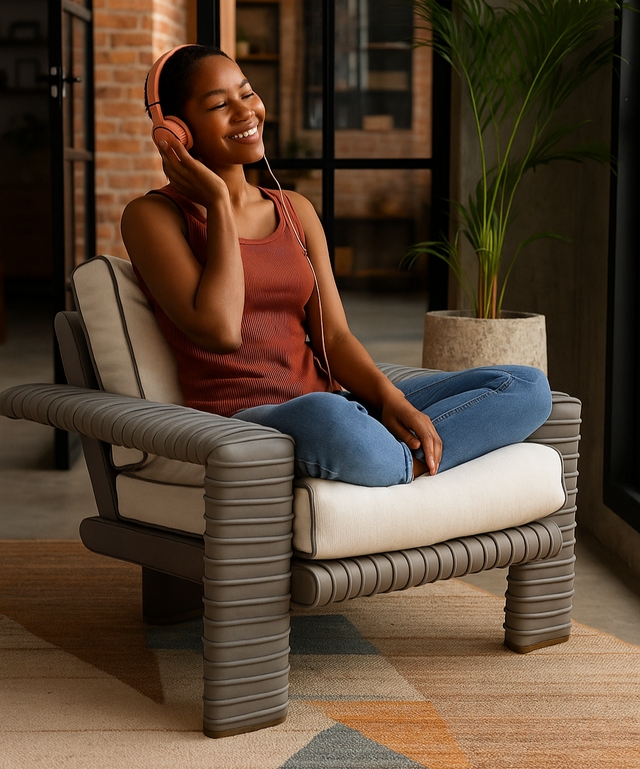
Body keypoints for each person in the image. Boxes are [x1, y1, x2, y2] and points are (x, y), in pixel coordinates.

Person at [121, 44, 552, 488]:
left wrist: (389, 400)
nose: (246, 112)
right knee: (327, 414)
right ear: (176, 132)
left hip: (333, 405)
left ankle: (392, 457)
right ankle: (391, 456)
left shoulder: (295, 210)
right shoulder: (152, 217)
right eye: (219, 104)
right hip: (251, 422)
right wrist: (218, 203)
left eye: (247, 94)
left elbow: (334, 335)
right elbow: (221, 329)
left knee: (526, 387)